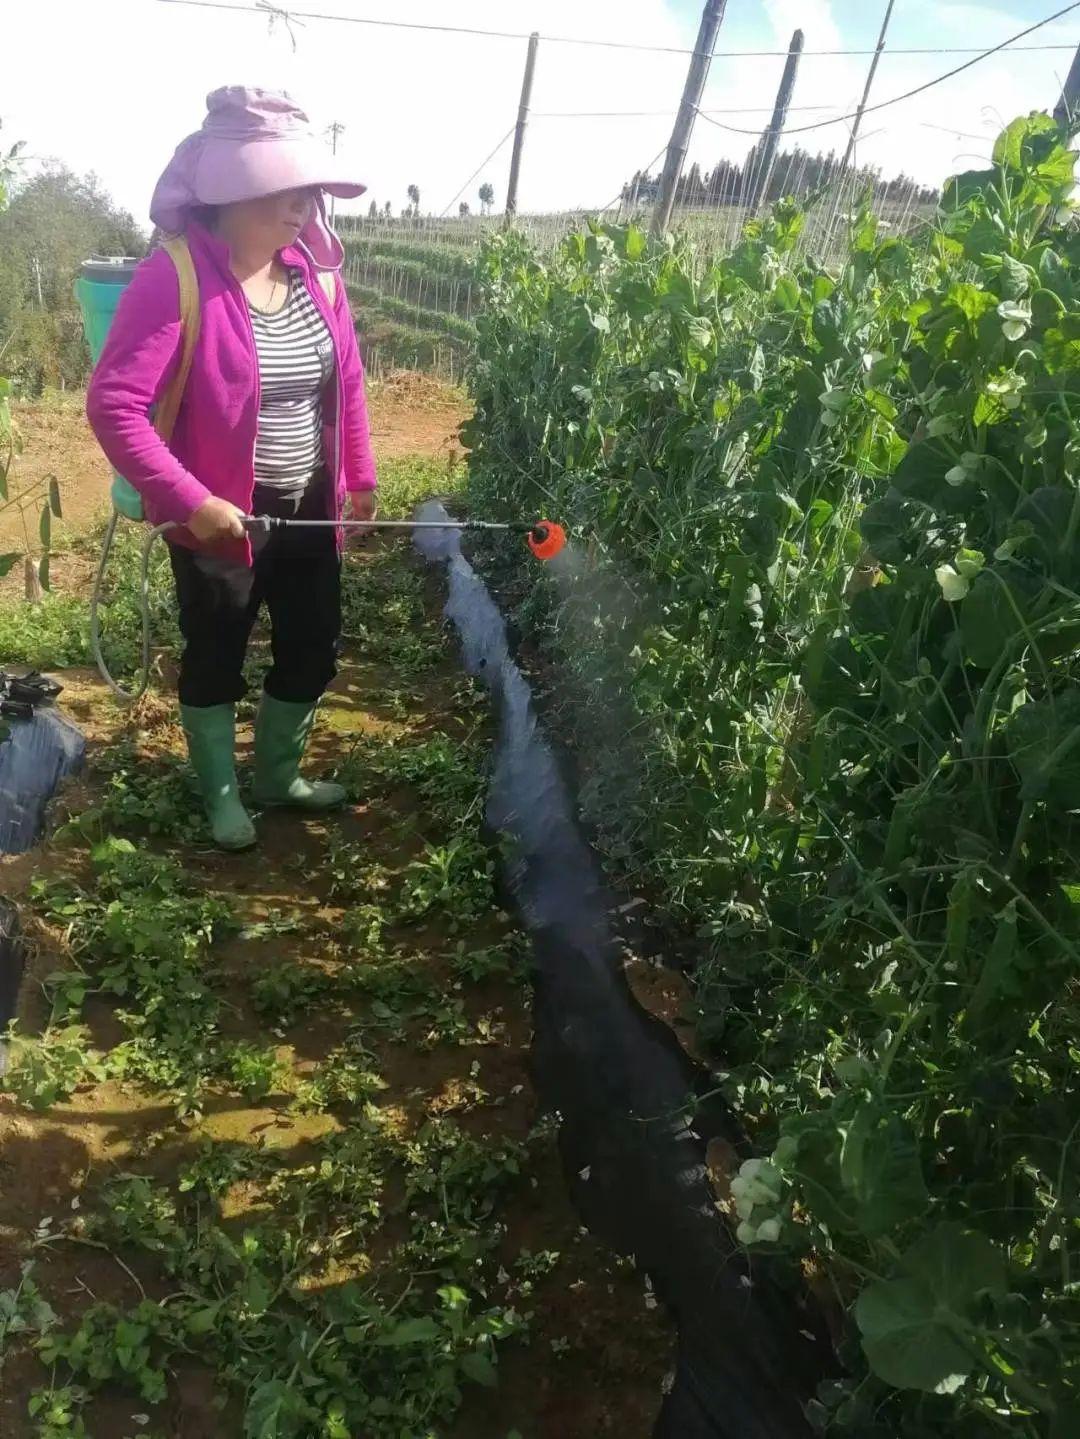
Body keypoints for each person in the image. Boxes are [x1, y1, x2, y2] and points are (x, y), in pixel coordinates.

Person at [87, 87, 377, 851]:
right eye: (282, 189)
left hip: (309, 503)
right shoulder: (175, 279)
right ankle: (222, 794)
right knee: (215, 651)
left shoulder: (317, 277)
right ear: (228, 189)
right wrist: (190, 498)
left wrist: (360, 476)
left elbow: (345, 380)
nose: (300, 207)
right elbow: (115, 405)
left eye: (306, 190)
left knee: (314, 642)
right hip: (219, 514)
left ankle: (278, 776)